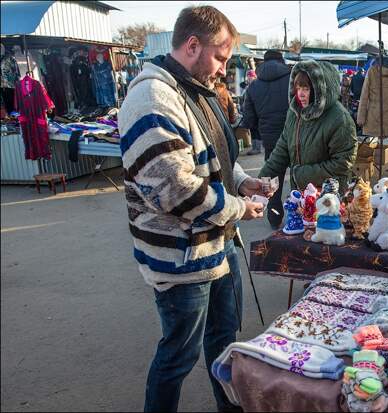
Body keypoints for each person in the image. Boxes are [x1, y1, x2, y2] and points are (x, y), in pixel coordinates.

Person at [118, 5, 270, 412]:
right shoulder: (151, 97)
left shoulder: (194, 89)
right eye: (220, 57)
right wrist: (239, 208)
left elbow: (214, 155)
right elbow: (177, 190)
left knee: (224, 341)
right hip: (180, 257)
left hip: (215, 248)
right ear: (192, 45)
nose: (223, 69)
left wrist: (242, 181)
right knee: (178, 356)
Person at [258, 59, 357, 199]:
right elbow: (281, 151)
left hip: (328, 198)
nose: (300, 94)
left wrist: (301, 174)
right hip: (301, 195)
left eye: (306, 89)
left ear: (320, 89)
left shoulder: (339, 118)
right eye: (298, 88)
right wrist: (262, 181)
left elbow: (343, 162)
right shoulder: (295, 113)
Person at [240, 49, 290, 227]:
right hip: (295, 136)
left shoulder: (253, 86)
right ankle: (302, 217)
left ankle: (274, 217)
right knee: (299, 177)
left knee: (271, 180)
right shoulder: (292, 81)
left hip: (270, 141)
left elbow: (249, 120)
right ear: (281, 61)